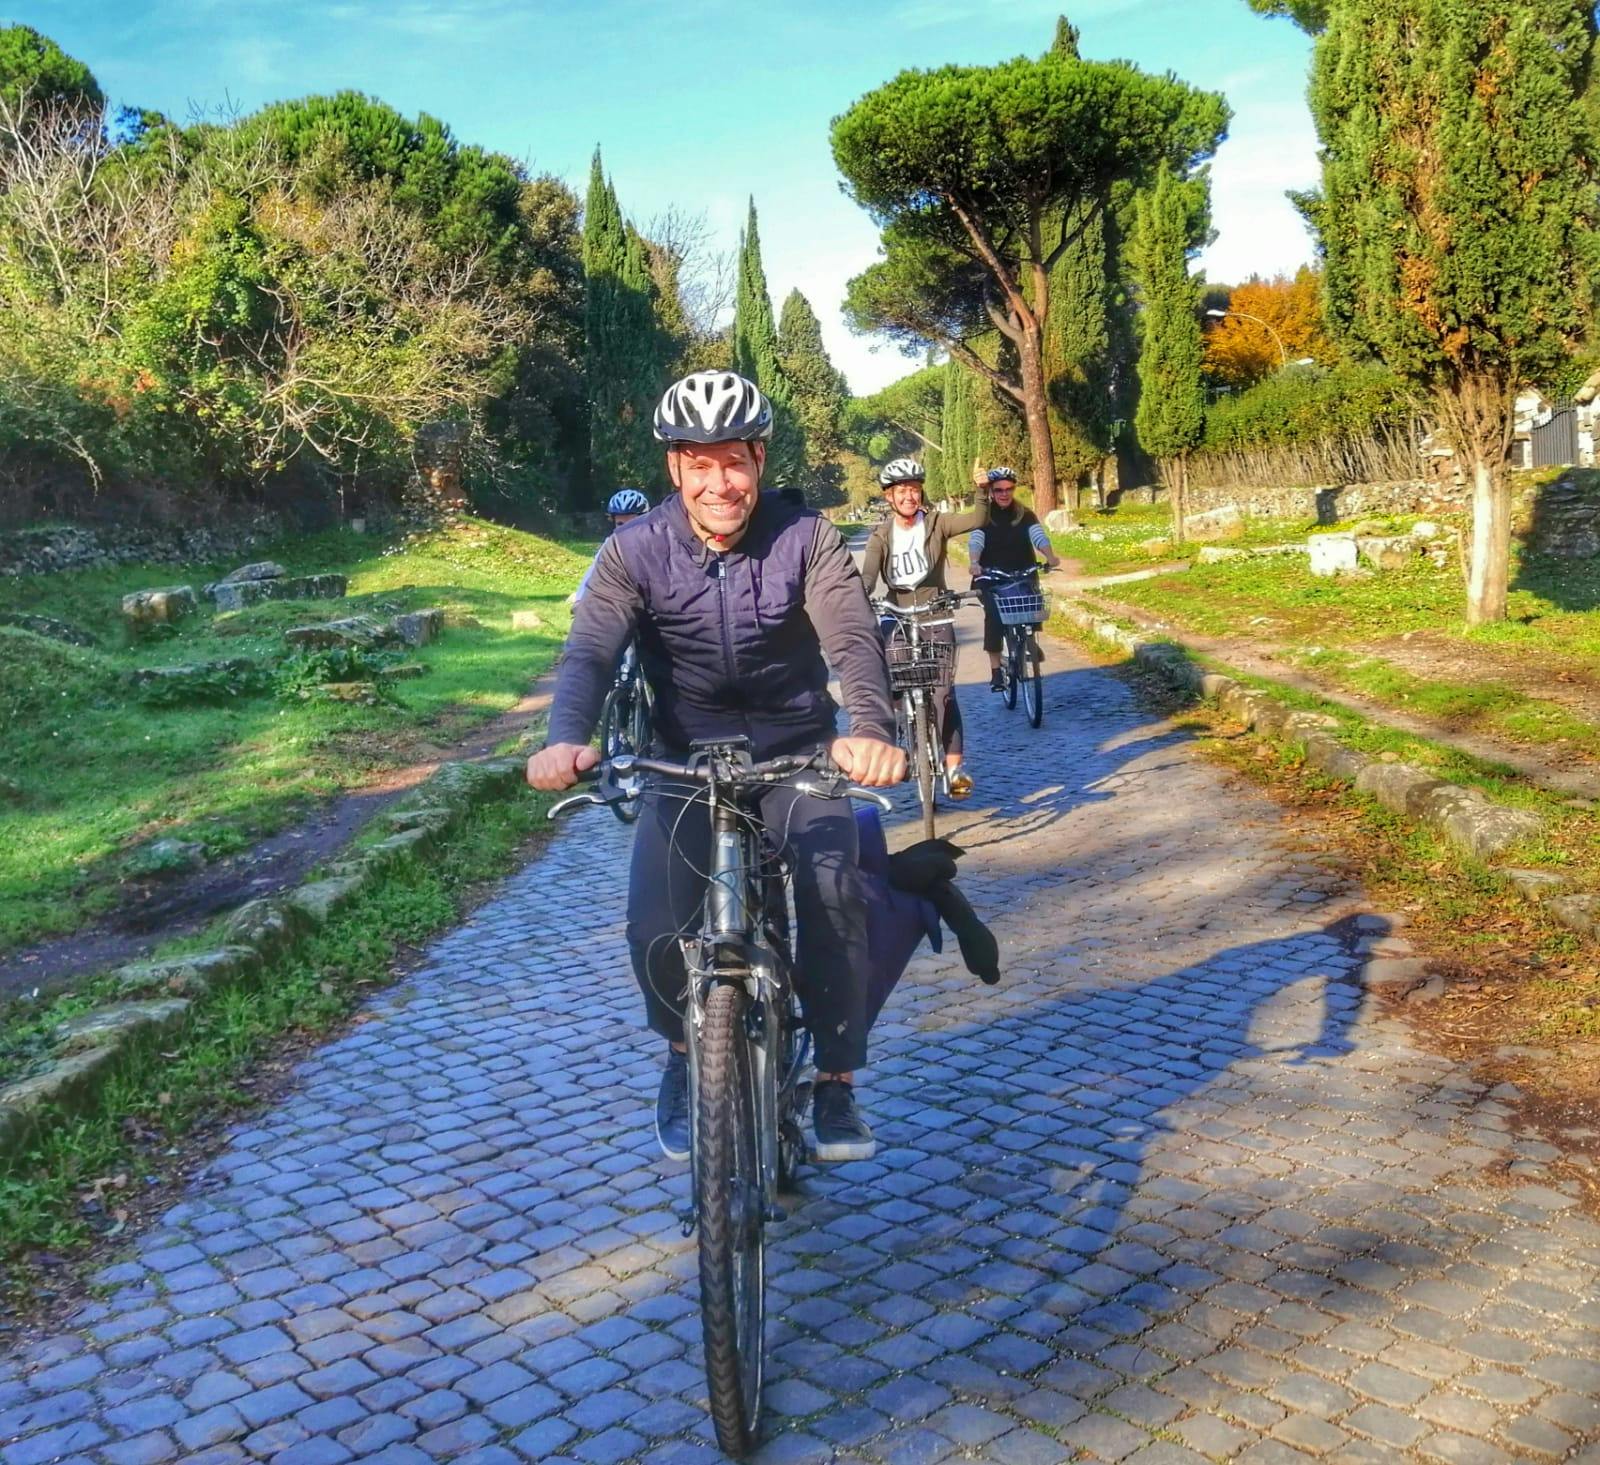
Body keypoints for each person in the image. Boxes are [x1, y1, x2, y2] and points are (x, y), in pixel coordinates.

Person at [528, 370, 906, 1164]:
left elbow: (851, 639)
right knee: (655, 922)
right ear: (675, 469)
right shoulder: (634, 550)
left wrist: (868, 727)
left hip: (796, 752)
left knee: (834, 890)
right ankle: (679, 1054)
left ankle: (836, 1075)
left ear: (759, 459)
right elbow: (590, 649)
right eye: (699, 464)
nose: (719, 484)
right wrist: (566, 735)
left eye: (733, 461)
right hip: (683, 761)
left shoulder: (807, 540)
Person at [859, 459, 989, 799]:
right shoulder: (880, 536)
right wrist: (858, 597)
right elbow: (869, 576)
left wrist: (981, 489)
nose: (909, 497)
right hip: (898, 616)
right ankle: (902, 736)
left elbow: (977, 519)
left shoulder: (936, 523)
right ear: (889, 497)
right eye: (901, 491)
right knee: (892, 683)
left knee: (943, 694)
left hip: (935, 613)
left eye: (914, 490)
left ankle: (954, 767)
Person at [969, 466, 1061, 689]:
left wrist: (1050, 556)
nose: (1004, 494)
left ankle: (1029, 639)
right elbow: (976, 541)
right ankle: (995, 671)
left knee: (1032, 598)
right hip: (990, 576)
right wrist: (974, 563)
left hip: (1021, 571)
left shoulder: (1025, 514)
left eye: (1009, 489)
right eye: (999, 490)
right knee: (993, 615)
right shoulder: (984, 516)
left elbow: (1038, 536)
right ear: (991, 491)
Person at [568, 488, 651, 604]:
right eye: (620, 524)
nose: (626, 530)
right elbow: (593, 571)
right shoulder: (612, 545)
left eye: (632, 524)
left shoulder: (656, 543)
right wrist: (580, 599)